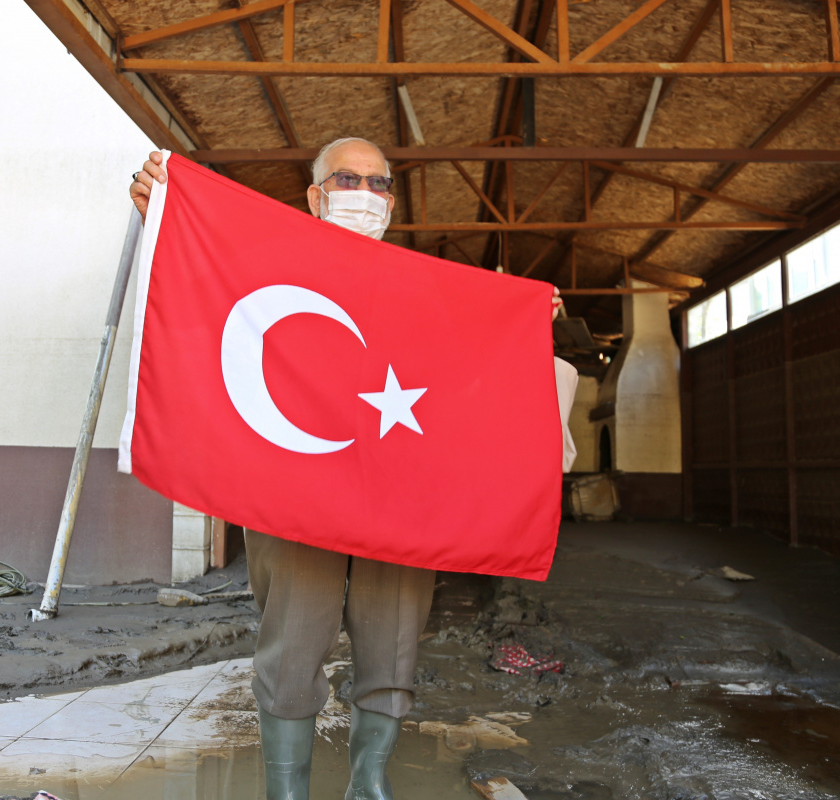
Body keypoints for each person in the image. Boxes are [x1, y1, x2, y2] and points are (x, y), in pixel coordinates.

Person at [129, 137, 563, 800]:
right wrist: (164, 215)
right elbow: (202, 286)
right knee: (293, 638)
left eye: (379, 183)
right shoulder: (269, 263)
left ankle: (370, 781)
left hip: (401, 494)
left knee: (394, 637)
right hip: (295, 487)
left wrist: (521, 320)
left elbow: (469, 376)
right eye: (347, 178)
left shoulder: (427, 286)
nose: (365, 193)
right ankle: (288, 790)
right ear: (314, 194)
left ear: (393, 199)